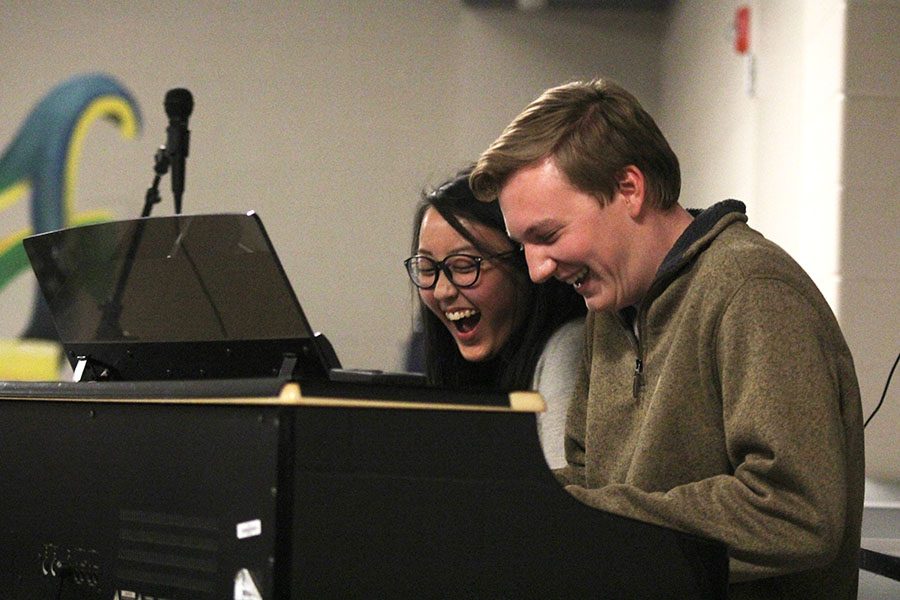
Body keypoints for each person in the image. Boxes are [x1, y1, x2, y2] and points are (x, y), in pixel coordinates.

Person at [469, 79, 865, 599]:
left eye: (547, 236)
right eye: (523, 246)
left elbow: (794, 513)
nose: (538, 270)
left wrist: (574, 514)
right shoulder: (611, 309)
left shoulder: (752, 291)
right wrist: (496, 500)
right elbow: (593, 480)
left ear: (629, 188)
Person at [405, 168, 586, 468]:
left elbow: (558, 501)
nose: (442, 290)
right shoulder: (476, 363)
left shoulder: (568, 346)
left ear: (523, 262)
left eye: (464, 266)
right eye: (426, 268)